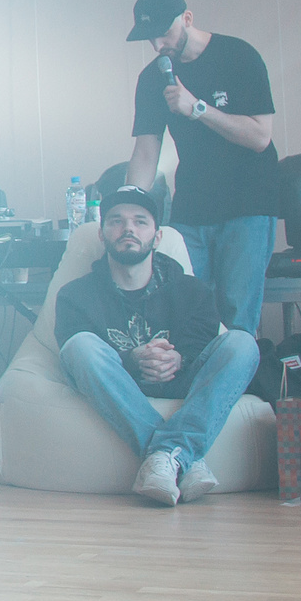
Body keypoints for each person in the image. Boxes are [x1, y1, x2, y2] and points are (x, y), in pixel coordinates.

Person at [51, 187, 261, 507]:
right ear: (102, 234)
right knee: (79, 346)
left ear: (157, 236)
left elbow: (202, 342)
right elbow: (77, 358)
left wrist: (179, 357)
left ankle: (167, 455)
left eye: (140, 221)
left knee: (243, 343)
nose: (128, 229)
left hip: (184, 380)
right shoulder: (74, 295)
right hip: (121, 384)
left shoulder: (193, 290)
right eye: (116, 221)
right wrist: (132, 359)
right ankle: (182, 457)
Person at [123, 0, 280, 337]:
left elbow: (260, 137)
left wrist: (197, 108)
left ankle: (239, 372)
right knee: (185, 309)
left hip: (249, 202)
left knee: (237, 314)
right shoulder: (152, 78)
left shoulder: (238, 56)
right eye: (150, 38)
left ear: (188, 19)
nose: (158, 45)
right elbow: (146, 151)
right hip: (193, 205)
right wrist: (128, 205)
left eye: (164, 33)